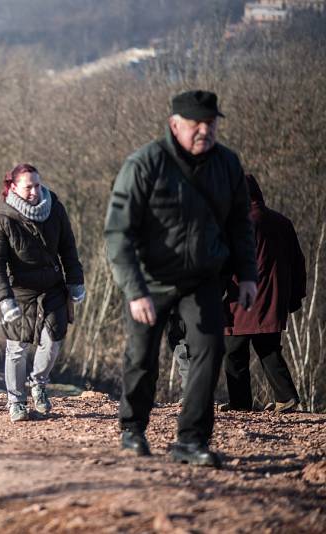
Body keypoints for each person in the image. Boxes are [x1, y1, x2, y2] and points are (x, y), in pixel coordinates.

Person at [103, 90, 258, 468]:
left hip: (204, 277)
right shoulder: (145, 164)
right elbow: (118, 232)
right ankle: (133, 428)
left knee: (209, 351)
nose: (204, 130)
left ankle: (191, 439)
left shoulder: (227, 164)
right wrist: (134, 290)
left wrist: (248, 275)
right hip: (151, 279)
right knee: (142, 355)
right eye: (195, 124)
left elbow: (240, 224)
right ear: (175, 125)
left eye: (211, 123)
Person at [0, 163, 85, 423]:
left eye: (37, 185)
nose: (34, 191)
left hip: (52, 287)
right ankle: (16, 401)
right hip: (18, 290)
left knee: (53, 340)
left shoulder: (55, 208)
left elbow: (68, 248)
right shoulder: (3, 219)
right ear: (13, 188)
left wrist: (75, 281)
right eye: (28, 186)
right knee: (17, 348)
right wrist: (4, 299)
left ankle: (39, 382)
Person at [220, 174, 307, 414]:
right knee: (269, 348)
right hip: (274, 298)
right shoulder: (282, 221)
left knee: (234, 351)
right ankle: (286, 398)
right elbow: (298, 261)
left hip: (243, 301)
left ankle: (240, 403)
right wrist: (295, 295)